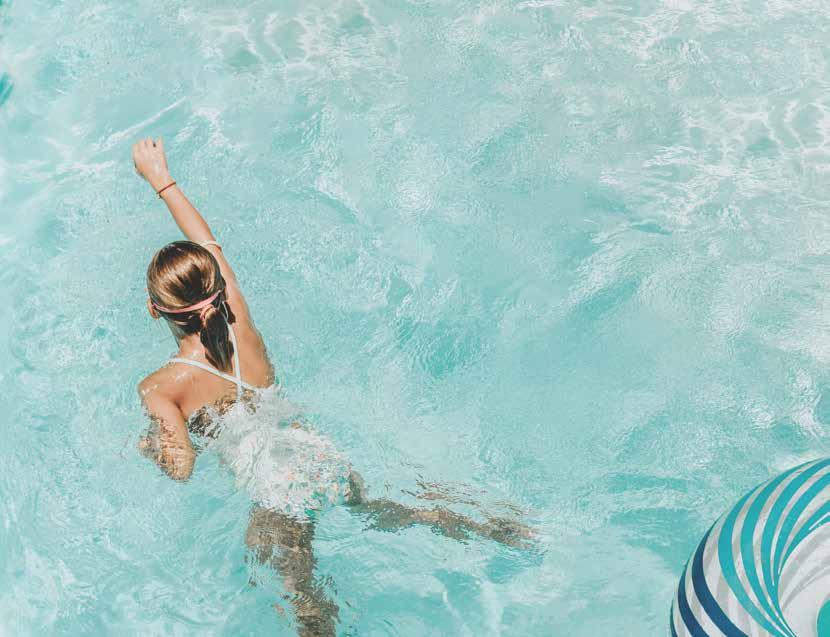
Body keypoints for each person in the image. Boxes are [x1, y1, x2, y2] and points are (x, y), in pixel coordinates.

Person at [132, 137, 532, 636]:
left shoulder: (160, 387)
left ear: (154, 310)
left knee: (303, 597)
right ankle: (498, 527)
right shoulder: (238, 321)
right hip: (318, 453)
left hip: (276, 490)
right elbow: (208, 242)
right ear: (217, 289)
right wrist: (161, 179)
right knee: (386, 508)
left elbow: (181, 467)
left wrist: (151, 446)